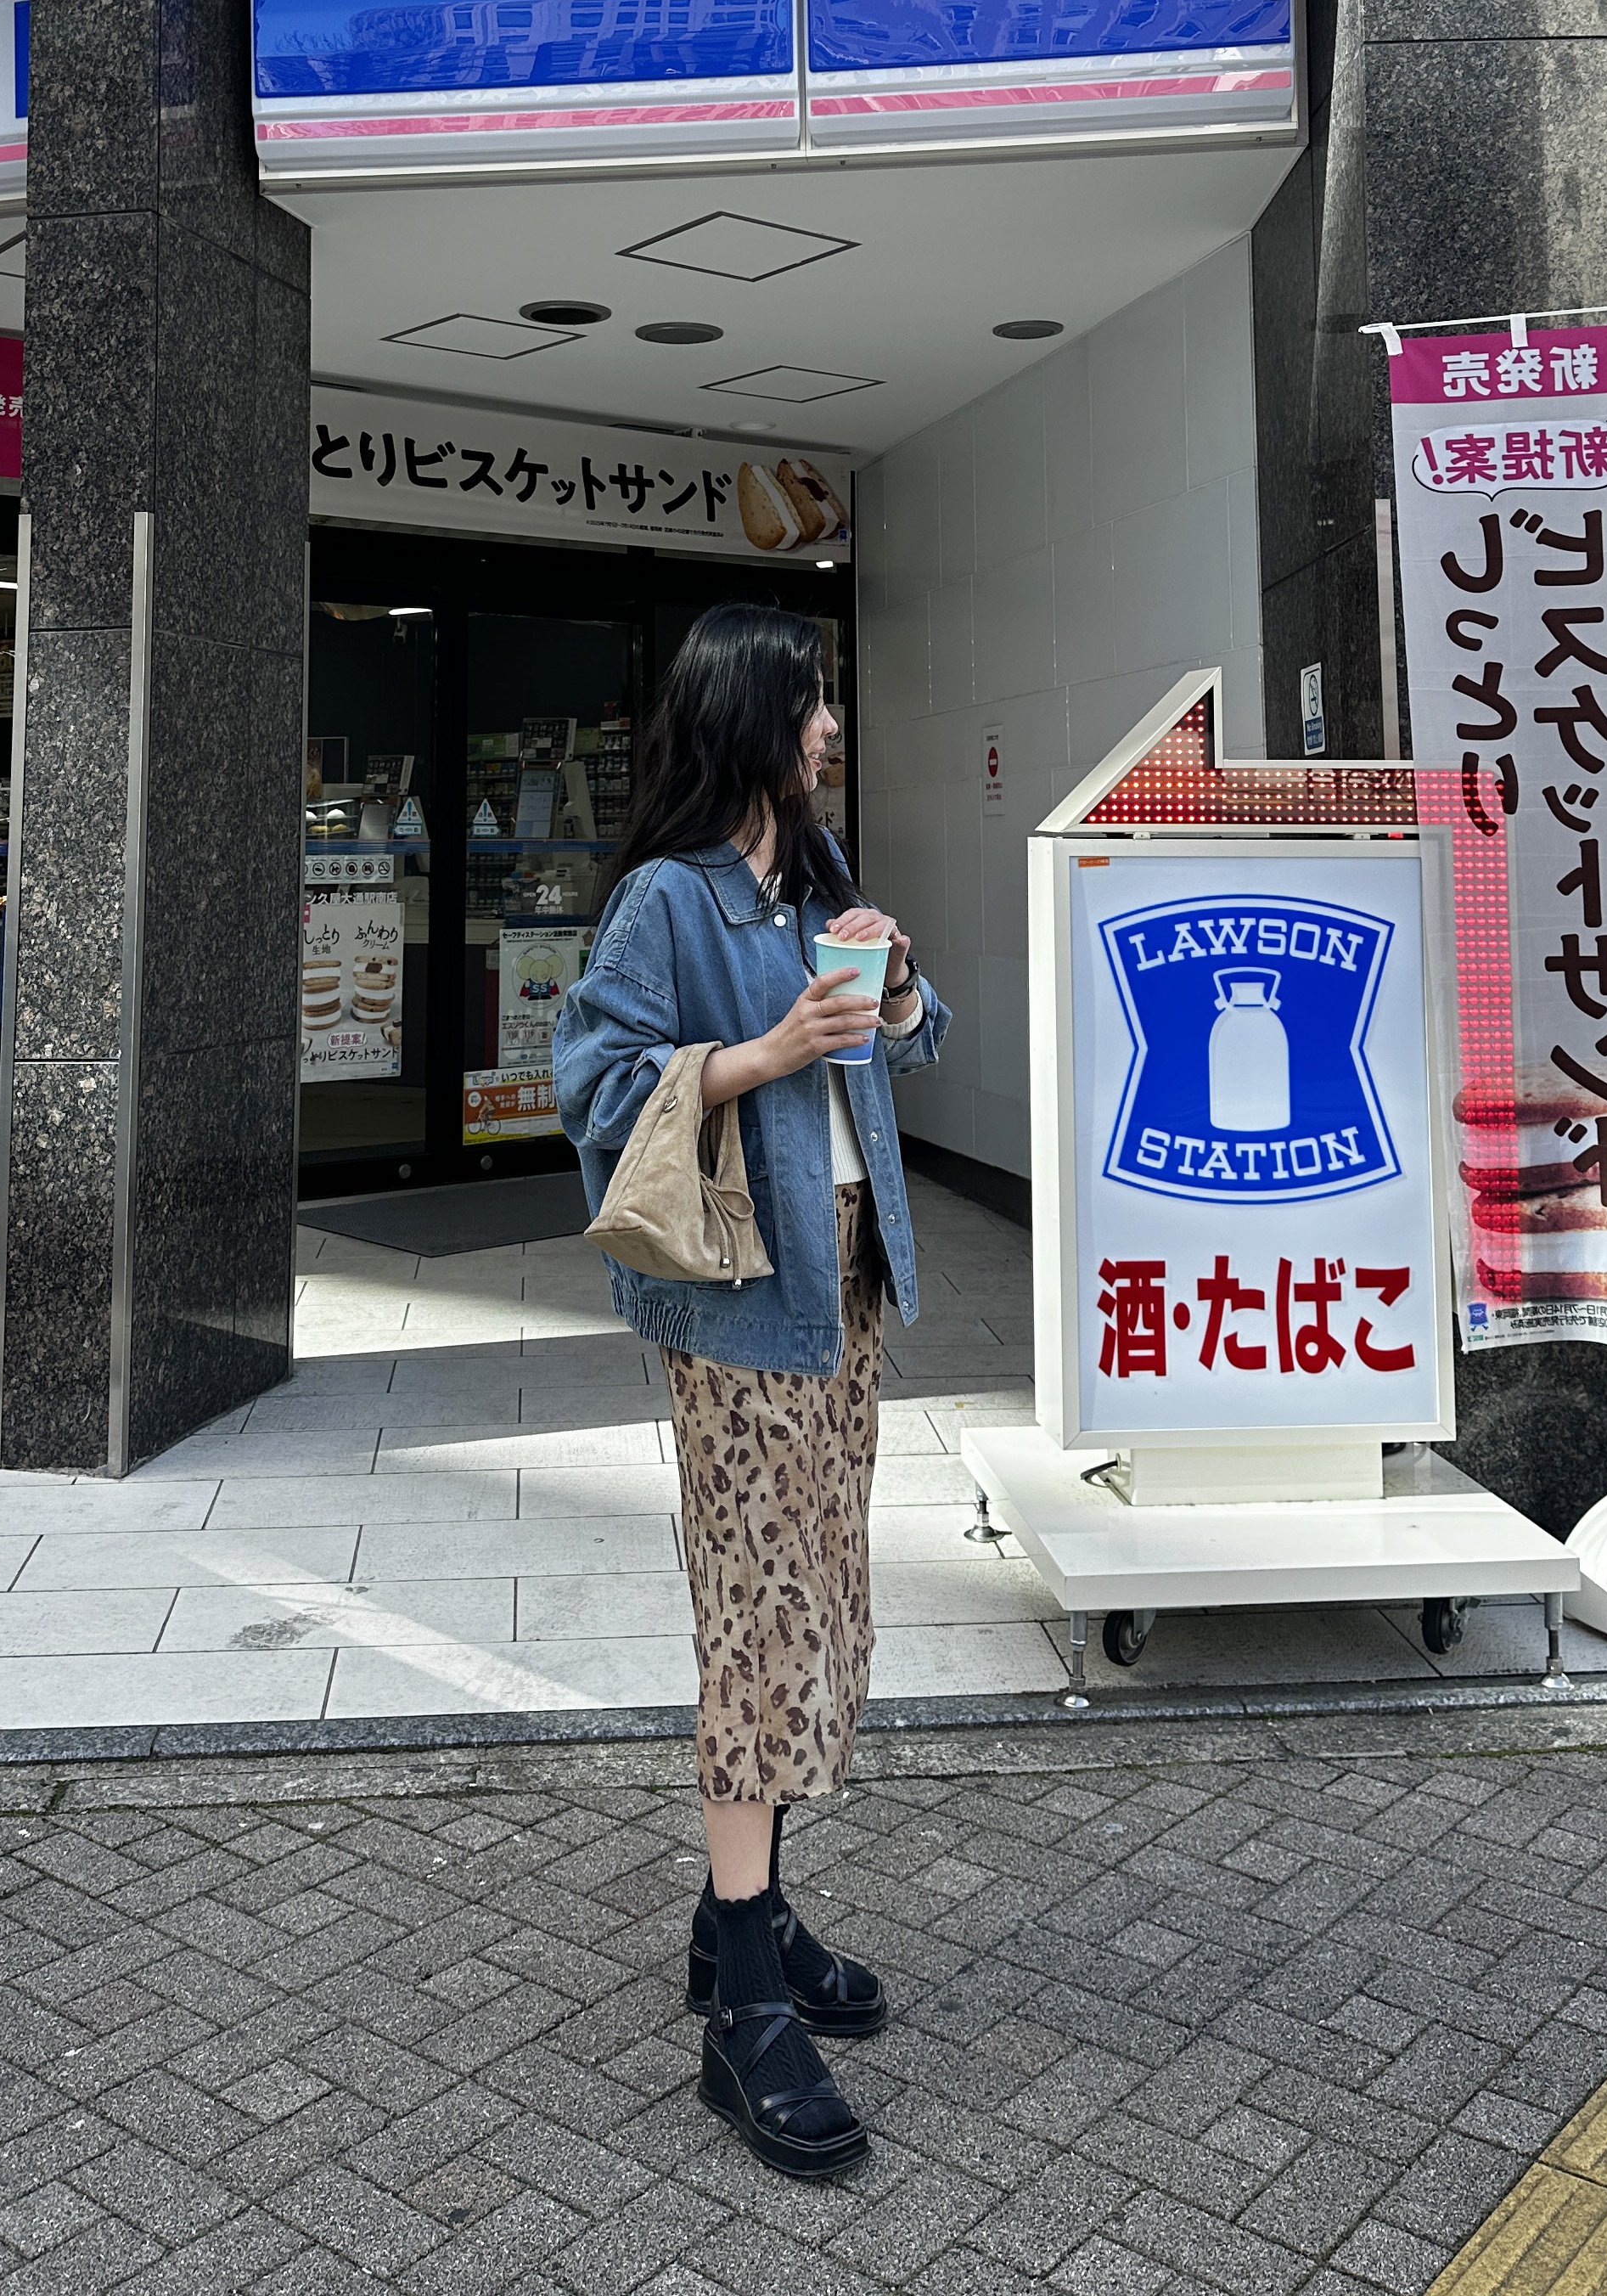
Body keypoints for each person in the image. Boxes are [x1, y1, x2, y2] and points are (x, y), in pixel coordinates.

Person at [555, 602, 947, 2179]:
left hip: (843, 1285)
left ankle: (750, 1925)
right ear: (748, 719)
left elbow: (913, 1048)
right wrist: (769, 1049)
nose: (831, 726)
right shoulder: (670, 898)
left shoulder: (822, 882)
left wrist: (895, 989)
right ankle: (743, 2010)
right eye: (810, 703)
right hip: (737, 1302)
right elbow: (593, 1081)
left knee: (819, 1598)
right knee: (761, 1621)